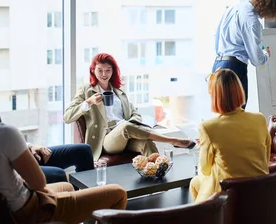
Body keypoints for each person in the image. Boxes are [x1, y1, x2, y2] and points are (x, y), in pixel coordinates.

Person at [0, 68, 127, 224]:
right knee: (118, 193)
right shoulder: (3, 133)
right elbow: (38, 183)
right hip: (29, 212)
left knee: (66, 186)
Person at [0, 53, 94, 184]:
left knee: (83, 151)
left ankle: (82, 196)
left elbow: (4, 139)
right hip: (5, 166)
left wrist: (29, 146)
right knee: (57, 174)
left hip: (15, 154)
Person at [64, 53, 194, 161]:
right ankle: (173, 140)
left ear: (113, 71)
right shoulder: (86, 90)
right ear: (93, 70)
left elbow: (135, 113)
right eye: (100, 70)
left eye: (108, 70)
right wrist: (89, 102)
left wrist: (131, 123)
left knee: (147, 144)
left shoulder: (119, 91)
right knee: (125, 126)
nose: (104, 74)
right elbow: (67, 117)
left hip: (127, 135)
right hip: (106, 140)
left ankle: (158, 182)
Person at [190, 69, 271, 202]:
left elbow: (205, 169)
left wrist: (205, 146)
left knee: (195, 182)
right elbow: (265, 158)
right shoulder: (259, 119)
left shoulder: (208, 127)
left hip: (229, 194)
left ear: (214, 96)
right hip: (259, 190)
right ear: (239, 90)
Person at [213, 0, 276, 107]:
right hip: (234, 68)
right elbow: (257, 60)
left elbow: (216, 37)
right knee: (237, 113)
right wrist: (265, 55)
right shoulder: (252, 21)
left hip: (218, 65)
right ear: (270, 9)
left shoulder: (233, 8)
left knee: (222, 111)